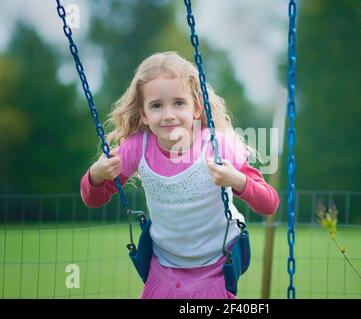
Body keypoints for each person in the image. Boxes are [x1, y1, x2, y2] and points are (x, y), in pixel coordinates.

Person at [80, 51, 279, 299]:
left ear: (196, 108)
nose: (168, 115)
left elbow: (269, 203)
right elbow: (93, 198)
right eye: (156, 106)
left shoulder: (217, 146)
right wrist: (96, 175)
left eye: (178, 103)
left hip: (218, 264)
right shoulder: (136, 148)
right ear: (143, 114)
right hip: (164, 268)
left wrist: (237, 181)